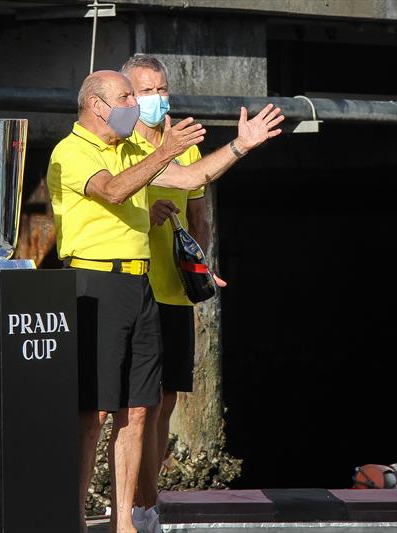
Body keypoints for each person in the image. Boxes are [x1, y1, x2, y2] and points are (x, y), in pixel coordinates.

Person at [46, 69, 283, 533]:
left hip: (141, 285)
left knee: (139, 407)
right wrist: (163, 152)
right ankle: (73, 517)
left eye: (140, 94)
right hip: (94, 281)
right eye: (127, 95)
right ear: (97, 105)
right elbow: (112, 189)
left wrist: (239, 147)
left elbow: (192, 175)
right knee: (93, 410)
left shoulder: (136, 148)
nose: (136, 103)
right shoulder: (71, 150)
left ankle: (125, 519)